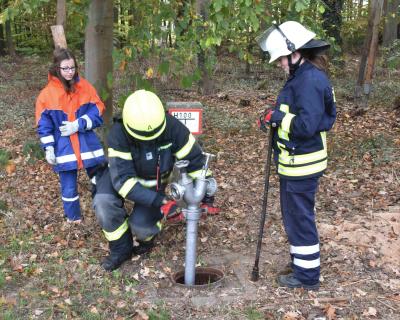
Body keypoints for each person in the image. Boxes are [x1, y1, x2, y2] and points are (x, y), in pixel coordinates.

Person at [93, 89, 219, 271]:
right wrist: (162, 202)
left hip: (152, 184)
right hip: (119, 178)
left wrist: (206, 192)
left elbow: (196, 161)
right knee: (103, 202)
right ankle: (121, 248)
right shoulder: (118, 134)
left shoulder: (173, 128)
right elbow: (124, 183)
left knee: (142, 228)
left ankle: (146, 238)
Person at [256, 21, 337, 290]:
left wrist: (279, 118)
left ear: (296, 52)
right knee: (295, 217)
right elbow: (296, 113)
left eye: (281, 58)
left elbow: (306, 125)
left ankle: (307, 277)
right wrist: (274, 116)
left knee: (300, 219)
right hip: (294, 163)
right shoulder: (302, 77)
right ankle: (302, 264)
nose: (279, 63)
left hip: (302, 164)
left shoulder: (309, 81)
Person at [35, 48, 106, 223]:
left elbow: (98, 109)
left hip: (88, 145)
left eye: (72, 68)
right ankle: (74, 220)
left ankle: (105, 213)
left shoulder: (85, 87)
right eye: (65, 68)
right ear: (56, 69)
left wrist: (78, 124)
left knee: (101, 180)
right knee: (68, 188)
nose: (69, 72)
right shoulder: (46, 95)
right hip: (64, 148)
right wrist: (49, 148)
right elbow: (44, 125)